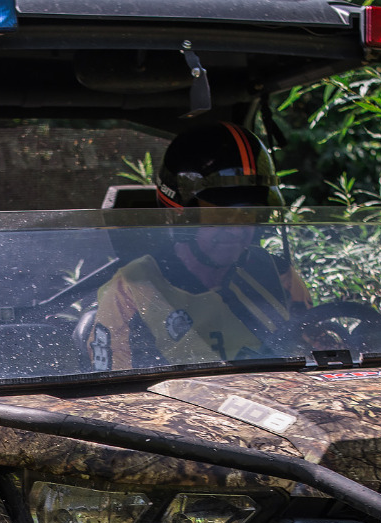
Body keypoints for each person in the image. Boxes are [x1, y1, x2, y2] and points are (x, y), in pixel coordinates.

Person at [86, 121, 312, 372]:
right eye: (219, 215)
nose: (236, 230)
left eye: (248, 213)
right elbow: (113, 386)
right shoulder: (132, 288)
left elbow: (314, 353)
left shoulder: (278, 274)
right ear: (182, 215)